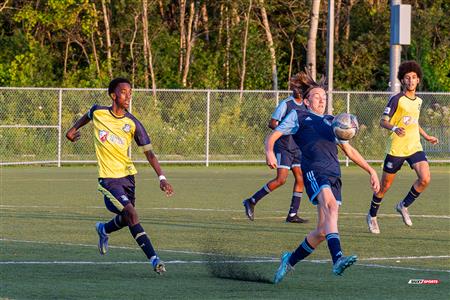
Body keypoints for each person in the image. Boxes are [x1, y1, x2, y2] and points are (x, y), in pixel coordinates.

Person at [265, 71, 380, 283]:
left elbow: (350, 151)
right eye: (317, 97)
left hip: (334, 172)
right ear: (307, 102)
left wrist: (371, 170)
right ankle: (337, 258)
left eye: (324, 98)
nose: (322, 100)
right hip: (313, 169)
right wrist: (270, 151)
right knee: (331, 207)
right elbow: (274, 135)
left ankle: (289, 261)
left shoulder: (333, 122)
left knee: (321, 230)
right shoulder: (299, 117)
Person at [66, 78, 174, 274]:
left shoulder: (132, 123)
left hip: (128, 178)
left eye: (130, 92)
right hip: (108, 180)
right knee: (132, 214)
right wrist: (72, 130)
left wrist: (162, 178)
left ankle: (104, 229)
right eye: (124, 92)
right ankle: (154, 259)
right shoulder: (98, 112)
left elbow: (149, 152)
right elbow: (87, 115)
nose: (128, 95)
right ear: (113, 95)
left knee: (127, 218)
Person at [366, 61, 439, 234]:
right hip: (396, 149)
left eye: (414, 77)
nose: (411, 80)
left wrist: (427, 136)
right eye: (407, 77)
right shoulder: (396, 99)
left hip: (414, 146)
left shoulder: (419, 101)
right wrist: (394, 128)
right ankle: (372, 216)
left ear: (418, 80)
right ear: (403, 81)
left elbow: (414, 122)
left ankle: (403, 205)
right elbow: (383, 121)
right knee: (384, 187)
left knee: (425, 178)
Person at [242, 74, 308, 223]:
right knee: (281, 179)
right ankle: (252, 200)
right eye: (295, 86)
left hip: (297, 147)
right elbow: (272, 123)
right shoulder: (286, 103)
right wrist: (285, 129)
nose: (298, 90)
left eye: (301, 87)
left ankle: (292, 214)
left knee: (300, 177)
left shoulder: (306, 105)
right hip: (283, 145)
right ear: (291, 88)